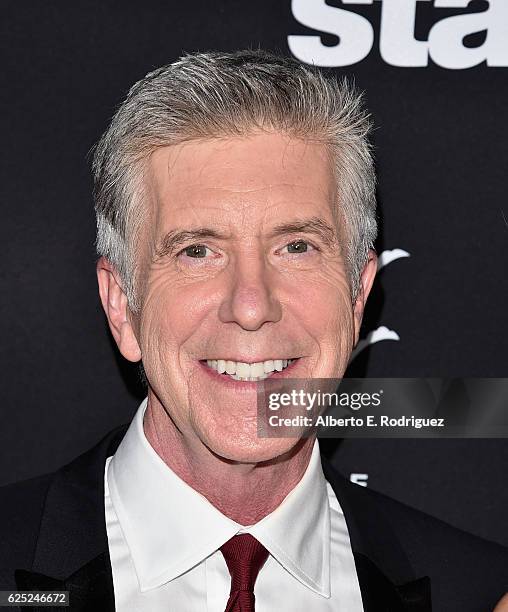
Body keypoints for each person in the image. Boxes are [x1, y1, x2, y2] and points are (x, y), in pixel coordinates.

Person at [0, 50, 507, 612]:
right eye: (197, 251)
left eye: (296, 247)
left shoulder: (478, 589)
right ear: (123, 306)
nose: (250, 306)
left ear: (359, 294)